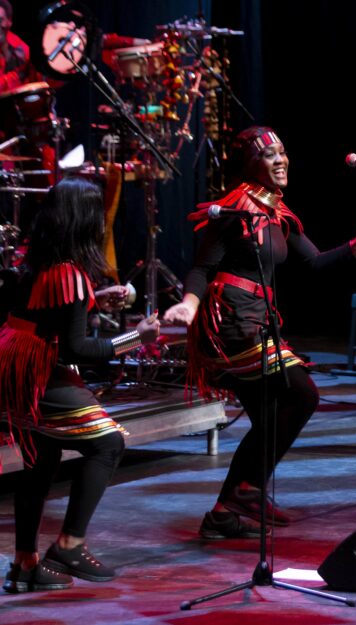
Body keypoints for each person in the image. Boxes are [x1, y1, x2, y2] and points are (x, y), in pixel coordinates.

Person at [163, 126, 356, 538]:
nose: (281, 160)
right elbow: (201, 268)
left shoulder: (277, 214)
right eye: (269, 155)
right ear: (251, 165)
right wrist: (189, 304)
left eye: (283, 151)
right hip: (231, 323)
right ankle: (246, 491)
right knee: (302, 394)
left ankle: (223, 512)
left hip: (255, 320)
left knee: (269, 416)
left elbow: (315, 264)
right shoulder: (235, 210)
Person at [0, 177, 160, 592]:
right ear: (85, 220)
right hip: (37, 371)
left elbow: (47, 315)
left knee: (42, 458)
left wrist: (92, 299)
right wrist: (134, 338)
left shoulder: (37, 262)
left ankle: (25, 564)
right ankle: (69, 545)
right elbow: (77, 350)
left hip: (14, 367)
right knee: (108, 443)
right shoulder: (70, 274)